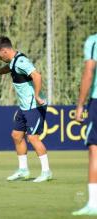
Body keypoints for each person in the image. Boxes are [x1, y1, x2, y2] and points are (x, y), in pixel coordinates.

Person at [0, 36, 52, 183]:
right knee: (16, 135)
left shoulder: (21, 61)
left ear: (4, 51)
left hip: (33, 106)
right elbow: (8, 68)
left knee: (33, 138)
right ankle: (23, 170)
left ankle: (46, 171)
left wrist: (36, 95)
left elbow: (37, 76)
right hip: (24, 106)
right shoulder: (14, 61)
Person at [72, 33, 97, 216]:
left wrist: (80, 105)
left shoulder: (93, 40)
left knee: (95, 149)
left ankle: (94, 204)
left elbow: (89, 71)